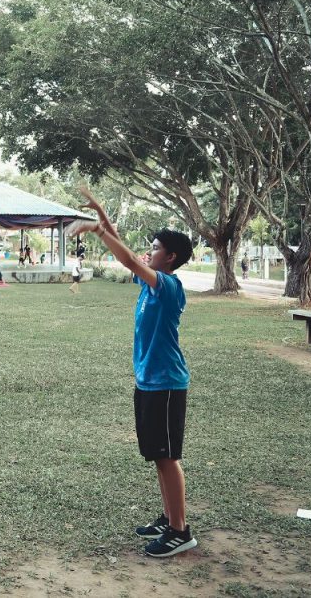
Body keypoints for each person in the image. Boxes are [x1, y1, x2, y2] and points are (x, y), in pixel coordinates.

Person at [70, 186, 197, 558]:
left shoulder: (168, 286)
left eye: (156, 248)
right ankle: (170, 517)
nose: (149, 251)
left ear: (170, 257)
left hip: (167, 384)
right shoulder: (151, 282)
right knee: (158, 454)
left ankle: (180, 530)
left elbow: (127, 261)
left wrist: (96, 229)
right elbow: (128, 253)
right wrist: (102, 213)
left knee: (168, 457)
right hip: (149, 381)